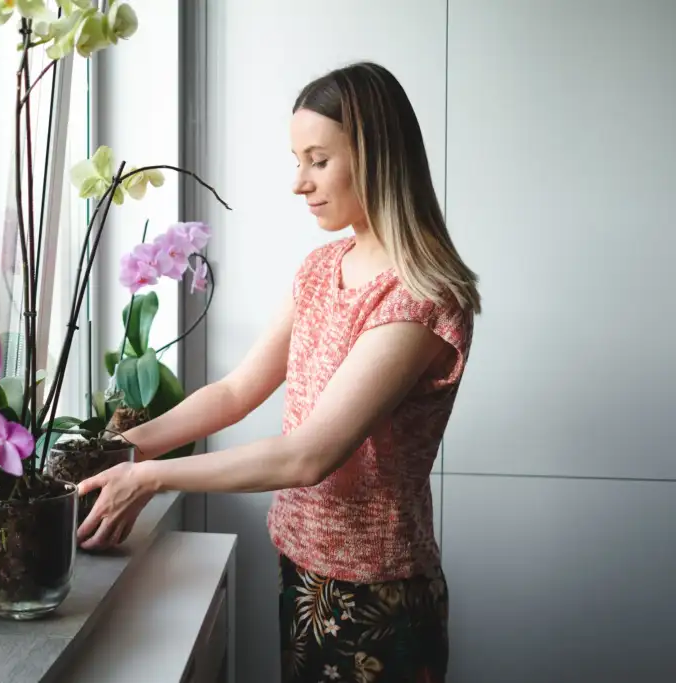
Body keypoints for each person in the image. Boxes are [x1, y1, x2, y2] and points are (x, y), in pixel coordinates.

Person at [75, 61, 480, 683]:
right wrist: (119, 447)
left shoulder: (422, 297)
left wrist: (150, 477)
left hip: (377, 597)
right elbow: (237, 391)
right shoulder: (320, 269)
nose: (300, 183)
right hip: (300, 569)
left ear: (375, 156)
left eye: (318, 160)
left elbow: (308, 457)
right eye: (298, 160)